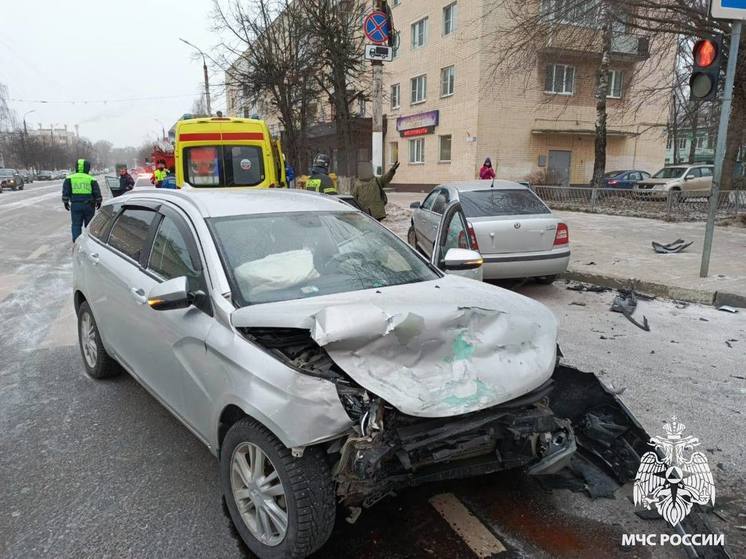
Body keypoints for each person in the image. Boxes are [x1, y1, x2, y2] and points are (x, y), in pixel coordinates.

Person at [62, 158, 102, 242]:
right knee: (89, 226)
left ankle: (77, 242)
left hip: (76, 205)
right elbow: (96, 192)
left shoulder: (70, 178)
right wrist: (99, 201)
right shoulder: (91, 179)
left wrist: (65, 202)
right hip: (89, 206)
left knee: (76, 225)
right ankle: (90, 242)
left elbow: (66, 191)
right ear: (87, 168)